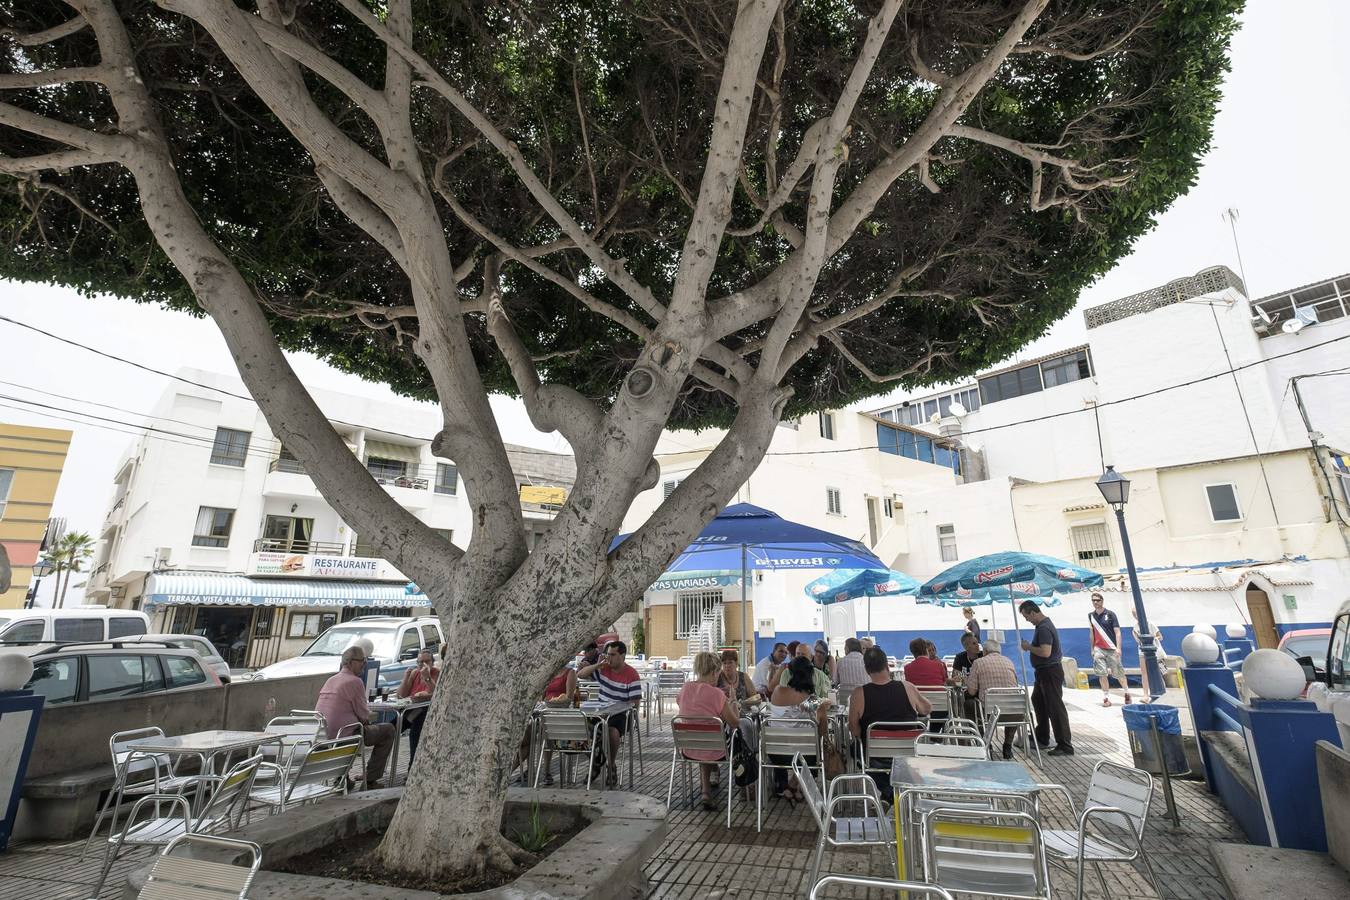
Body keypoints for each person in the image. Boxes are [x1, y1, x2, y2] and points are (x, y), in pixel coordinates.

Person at [849, 646, 931, 796]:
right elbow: (926, 709)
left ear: (867, 670)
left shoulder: (859, 694)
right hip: (907, 755)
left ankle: (888, 793)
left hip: (875, 757)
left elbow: (854, 730)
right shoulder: (907, 687)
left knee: (854, 749)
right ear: (887, 665)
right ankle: (895, 794)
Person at [316, 646, 396, 788]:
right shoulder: (355, 681)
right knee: (388, 730)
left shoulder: (331, 680)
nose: (364, 665)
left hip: (323, 737)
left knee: (355, 728)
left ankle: (343, 779)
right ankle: (370, 779)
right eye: (362, 661)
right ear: (351, 662)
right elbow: (364, 715)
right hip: (346, 736)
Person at [676, 652, 743, 810]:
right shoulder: (717, 694)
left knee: (703, 737)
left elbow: (681, 704)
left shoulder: (685, 688)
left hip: (688, 748)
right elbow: (735, 722)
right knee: (716, 738)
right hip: (716, 750)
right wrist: (733, 702)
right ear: (714, 672)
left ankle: (705, 791)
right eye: (718, 672)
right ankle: (747, 787)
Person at [577, 640, 642, 787]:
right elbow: (581, 674)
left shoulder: (632, 675)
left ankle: (610, 765)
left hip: (622, 715)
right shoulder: (604, 669)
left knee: (611, 732)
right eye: (607, 654)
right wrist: (598, 665)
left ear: (622, 656)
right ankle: (596, 761)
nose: (609, 658)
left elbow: (635, 705)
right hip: (600, 713)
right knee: (581, 728)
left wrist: (624, 712)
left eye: (612, 655)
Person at [768, 656, 833, 800]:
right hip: (805, 757)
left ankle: (790, 786)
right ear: (811, 675)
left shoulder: (777, 692)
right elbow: (824, 736)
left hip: (776, 754)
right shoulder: (813, 700)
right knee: (815, 747)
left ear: (790, 674)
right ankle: (794, 784)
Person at [1019, 600, 1072, 755]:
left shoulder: (1043, 628)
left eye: (1026, 616)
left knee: (1055, 707)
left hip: (1049, 671)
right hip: (1043, 672)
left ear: (1033, 612)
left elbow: (1045, 652)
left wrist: (1028, 647)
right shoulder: (1043, 626)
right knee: (1038, 700)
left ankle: (1065, 745)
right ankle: (1042, 736)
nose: (1026, 620)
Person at [964, 638, 1020, 758]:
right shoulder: (1009, 661)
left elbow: (971, 691)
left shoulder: (978, 662)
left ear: (984, 651)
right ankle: (1007, 746)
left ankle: (986, 744)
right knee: (1011, 704)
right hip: (1015, 713)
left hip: (990, 714)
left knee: (970, 705)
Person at [396, 647, 439, 765]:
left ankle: (412, 767)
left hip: (425, 711)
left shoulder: (436, 672)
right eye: (420, 662)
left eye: (427, 661)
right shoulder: (414, 673)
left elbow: (434, 692)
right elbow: (400, 695)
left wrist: (427, 677)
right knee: (389, 729)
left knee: (415, 732)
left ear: (432, 662)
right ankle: (373, 772)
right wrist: (405, 678)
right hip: (409, 710)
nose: (423, 664)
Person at [1089, 593, 1132, 707]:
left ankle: (1127, 692)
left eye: (1097, 600)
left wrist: (1118, 648)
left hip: (1112, 648)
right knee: (1101, 673)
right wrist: (1092, 648)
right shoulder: (1091, 616)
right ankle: (1106, 697)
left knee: (1118, 673)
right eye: (1093, 600)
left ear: (1102, 601)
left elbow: (1117, 632)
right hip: (1098, 648)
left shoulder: (1111, 614)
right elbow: (1091, 633)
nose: (1095, 602)